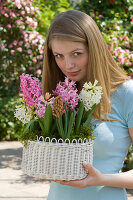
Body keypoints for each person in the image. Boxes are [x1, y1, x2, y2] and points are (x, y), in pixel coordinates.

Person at [42, 10, 133, 200]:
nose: (68, 65)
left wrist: (100, 179)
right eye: (59, 55)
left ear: (95, 49)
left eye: (77, 54)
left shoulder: (126, 94)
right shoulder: (58, 95)